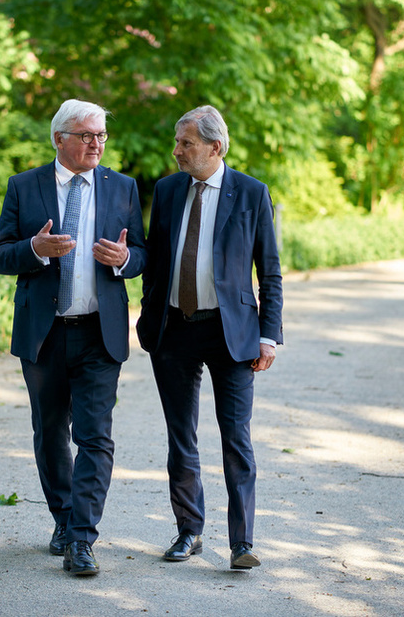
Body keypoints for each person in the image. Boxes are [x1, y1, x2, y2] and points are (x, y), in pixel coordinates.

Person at [0, 99, 147, 576]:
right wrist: (33, 249)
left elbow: (140, 254)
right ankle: (63, 519)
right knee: (51, 433)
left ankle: (82, 538)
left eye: (101, 135)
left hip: (100, 333)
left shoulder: (122, 186)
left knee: (95, 437)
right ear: (59, 139)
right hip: (44, 333)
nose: (96, 143)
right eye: (86, 135)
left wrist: (122, 259)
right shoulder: (24, 186)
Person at [136, 105, 283, 570]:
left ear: (214, 147)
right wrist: (148, 316)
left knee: (235, 437)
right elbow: (156, 263)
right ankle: (189, 531)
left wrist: (269, 336)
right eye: (178, 142)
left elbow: (271, 272)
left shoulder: (252, 193)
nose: (177, 151)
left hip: (232, 333)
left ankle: (242, 543)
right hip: (174, 328)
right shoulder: (167, 189)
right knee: (181, 436)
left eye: (186, 144)